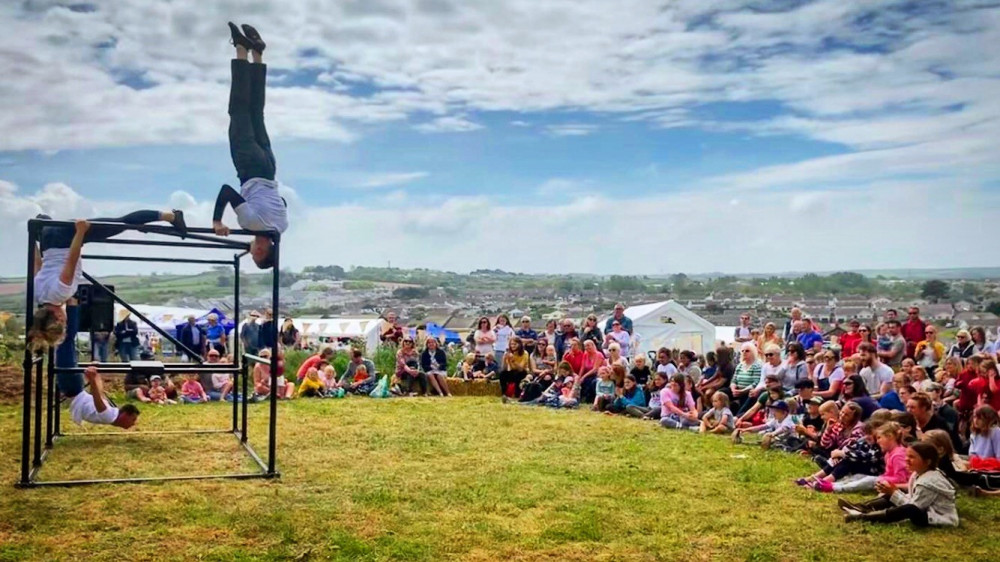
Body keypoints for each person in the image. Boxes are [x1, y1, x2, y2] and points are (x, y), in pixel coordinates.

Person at [212, 23, 286, 269]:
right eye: (255, 255)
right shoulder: (250, 224)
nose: (251, 252)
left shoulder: (281, 225)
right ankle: (242, 49)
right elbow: (226, 191)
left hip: (269, 166)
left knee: (256, 112)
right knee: (238, 110)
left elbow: (282, 202)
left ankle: (258, 54)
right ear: (262, 249)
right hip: (249, 166)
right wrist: (217, 222)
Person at [841, 442, 957, 527]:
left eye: (912, 457)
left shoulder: (929, 482)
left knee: (905, 505)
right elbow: (912, 499)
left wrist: (894, 493)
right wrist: (892, 493)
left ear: (927, 462)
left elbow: (915, 507)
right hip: (923, 510)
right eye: (907, 456)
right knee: (890, 496)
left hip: (936, 517)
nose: (906, 460)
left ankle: (864, 517)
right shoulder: (918, 474)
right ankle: (862, 508)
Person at [812, 422, 909, 494]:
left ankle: (835, 488)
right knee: (859, 477)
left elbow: (901, 478)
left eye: (879, 438)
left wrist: (882, 479)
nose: (878, 441)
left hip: (890, 483)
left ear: (890, 437)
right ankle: (834, 484)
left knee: (868, 480)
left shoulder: (898, 455)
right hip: (883, 479)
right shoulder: (890, 453)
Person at [65, 366, 141, 428]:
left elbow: (100, 393)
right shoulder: (109, 416)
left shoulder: (110, 412)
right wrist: (92, 378)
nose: (133, 423)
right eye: (133, 419)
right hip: (73, 389)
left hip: (74, 389)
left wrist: (96, 376)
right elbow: (97, 400)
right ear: (125, 415)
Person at [731, 342, 762, 415]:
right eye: (742, 351)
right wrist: (733, 389)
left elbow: (756, 383)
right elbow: (734, 380)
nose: (744, 353)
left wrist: (742, 391)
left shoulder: (757, 366)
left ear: (753, 352)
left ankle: (738, 416)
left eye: (747, 351)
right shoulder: (739, 365)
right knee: (722, 394)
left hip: (748, 391)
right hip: (737, 390)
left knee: (750, 395)